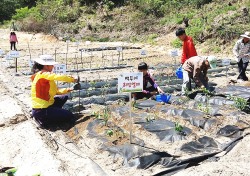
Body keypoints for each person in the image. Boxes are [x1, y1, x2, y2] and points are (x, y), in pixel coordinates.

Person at [31, 55, 80, 127]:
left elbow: (56, 91)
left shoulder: (44, 76)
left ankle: (53, 113)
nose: (53, 67)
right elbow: (58, 76)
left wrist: (70, 89)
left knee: (64, 97)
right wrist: (73, 79)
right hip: (42, 109)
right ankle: (42, 120)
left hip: (45, 105)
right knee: (70, 115)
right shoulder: (43, 75)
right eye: (52, 65)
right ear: (46, 65)